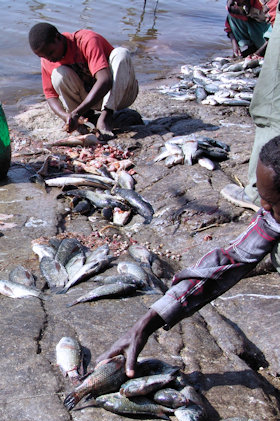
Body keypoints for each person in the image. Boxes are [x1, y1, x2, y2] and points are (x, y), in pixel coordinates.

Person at [98, 135, 280, 377]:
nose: (263, 209)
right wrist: (145, 324)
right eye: (261, 197)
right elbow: (232, 259)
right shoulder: (272, 218)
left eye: (273, 202)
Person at [28, 22, 139, 138]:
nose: (49, 59)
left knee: (121, 53)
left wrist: (76, 112)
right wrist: (66, 116)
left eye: (51, 53)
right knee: (58, 75)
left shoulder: (86, 40)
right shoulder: (47, 59)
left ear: (58, 38)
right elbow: (50, 96)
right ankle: (85, 119)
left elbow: (105, 80)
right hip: (89, 102)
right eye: (43, 56)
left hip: (120, 93)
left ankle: (106, 116)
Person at [222, 0, 280, 213]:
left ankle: (258, 194)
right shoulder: (234, 7)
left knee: (269, 111)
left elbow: (275, 27)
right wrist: (240, 47)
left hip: (268, 31)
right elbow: (230, 26)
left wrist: (261, 54)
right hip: (259, 31)